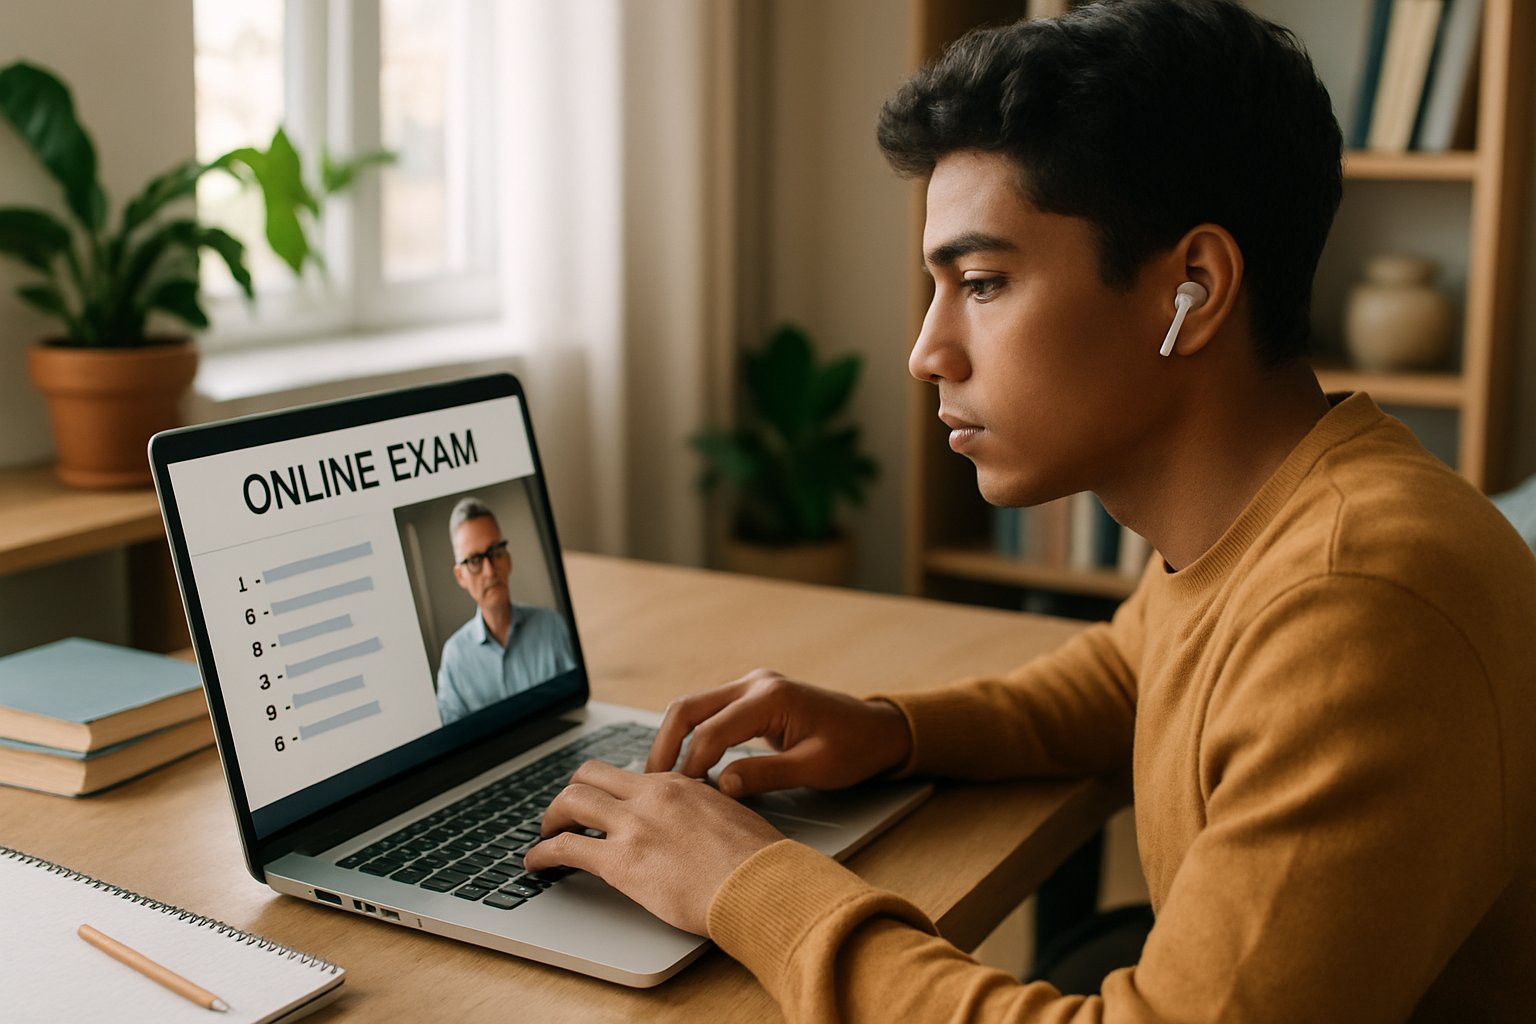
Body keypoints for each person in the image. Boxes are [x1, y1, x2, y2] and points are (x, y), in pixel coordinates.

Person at [524, 2, 1536, 1019]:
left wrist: (746, 884)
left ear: (1194, 287)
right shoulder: (1274, 510)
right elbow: (1133, 670)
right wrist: (893, 730)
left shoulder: (1356, 605)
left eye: (983, 281)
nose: (928, 351)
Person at [436, 496, 575, 724]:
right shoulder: (454, 657)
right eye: (474, 560)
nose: (489, 571)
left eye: (495, 552)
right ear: (460, 576)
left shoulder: (551, 626)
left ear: (507, 559)